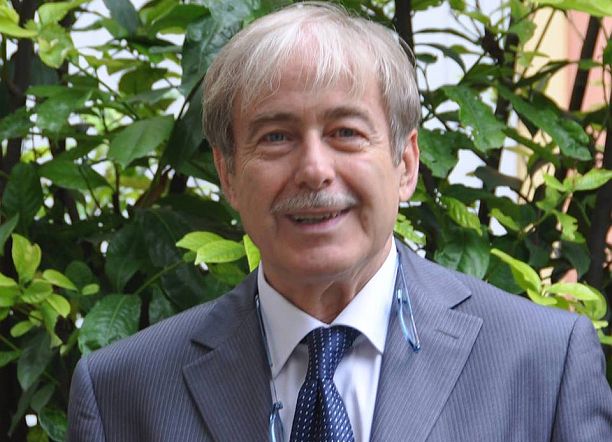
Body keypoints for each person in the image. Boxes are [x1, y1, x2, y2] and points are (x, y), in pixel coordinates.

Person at [68, 3, 612, 441]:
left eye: (346, 132)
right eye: (276, 137)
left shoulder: (544, 362)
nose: (314, 169)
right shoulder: (123, 392)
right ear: (227, 174)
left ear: (405, 164)